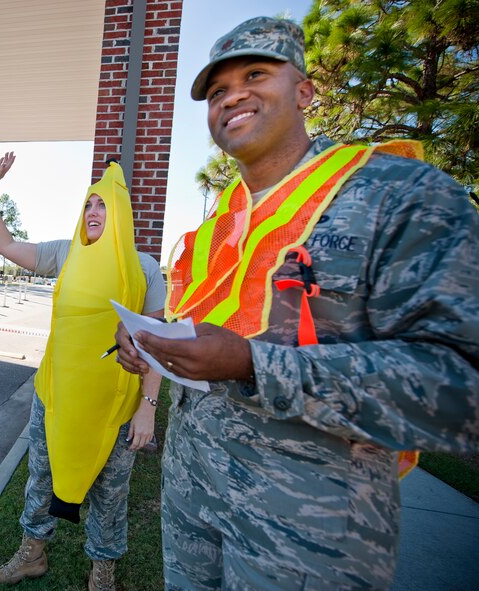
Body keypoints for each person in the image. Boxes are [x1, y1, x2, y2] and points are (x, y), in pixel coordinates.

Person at [115, 16, 479, 591]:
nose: (231, 95)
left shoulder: (399, 193)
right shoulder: (219, 220)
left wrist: (254, 365)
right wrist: (155, 338)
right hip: (193, 493)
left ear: (305, 91)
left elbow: (462, 387)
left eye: (255, 73)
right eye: (215, 91)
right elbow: (217, 318)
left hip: (308, 530)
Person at [0, 153, 166, 590]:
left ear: (119, 213)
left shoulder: (144, 268)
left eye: (103, 205)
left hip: (113, 404)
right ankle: (31, 554)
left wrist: (148, 407)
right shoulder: (66, 253)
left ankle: (102, 572)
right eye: (88, 205)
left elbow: (154, 345)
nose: (94, 213)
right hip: (56, 395)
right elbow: (6, 246)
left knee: (110, 492)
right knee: (42, 475)